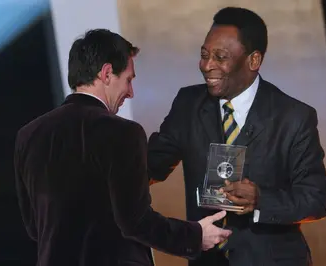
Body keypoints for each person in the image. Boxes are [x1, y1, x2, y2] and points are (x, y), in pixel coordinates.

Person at [13, 29, 232, 266]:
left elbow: (35, 227)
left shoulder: (28, 136)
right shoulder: (122, 132)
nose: (130, 92)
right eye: (128, 80)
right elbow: (135, 221)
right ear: (107, 73)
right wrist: (196, 236)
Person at [148, 7, 326, 266]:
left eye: (220, 57)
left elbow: (314, 200)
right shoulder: (188, 104)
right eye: (204, 54)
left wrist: (260, 200)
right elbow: (149, 165)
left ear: (253, 60)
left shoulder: (294, 117)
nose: (207, 65)